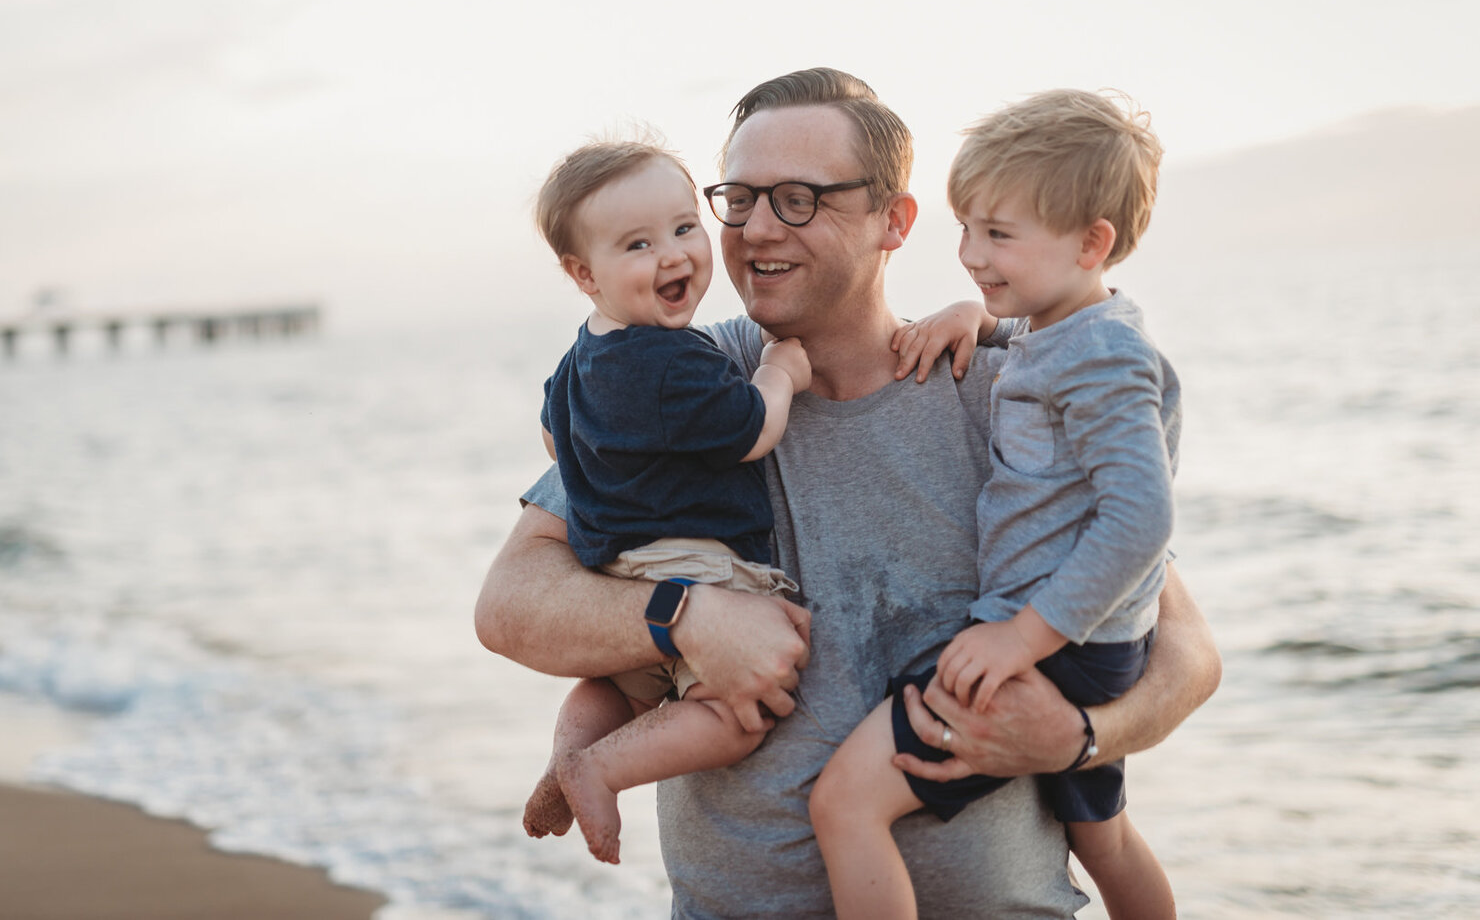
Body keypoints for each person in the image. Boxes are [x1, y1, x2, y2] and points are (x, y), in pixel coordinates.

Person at [475, 68, 1222, 918]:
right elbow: (509, 604)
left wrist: (1086, 736)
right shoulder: (672, 380)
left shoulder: (1006, 387)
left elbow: (1185, 648)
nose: (756, 229)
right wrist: (685, 616)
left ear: (894, 222)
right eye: (740, 198)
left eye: (799, 198)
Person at [810, 89, 1179, 919]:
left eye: (999, 235)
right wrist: (978, 316)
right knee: (1103, 838)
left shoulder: (1107, 358)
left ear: (1093, 243)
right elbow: (1043, 354)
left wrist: (1022, 635)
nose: (973, 253)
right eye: (967, 229)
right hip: (1088, 640)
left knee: (846, 804)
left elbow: (1142, 519)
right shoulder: (1073, 330)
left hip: (1050, 641)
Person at [521, 138, 813, 865]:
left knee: (614, 691)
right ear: (583, 273)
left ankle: (569, 754)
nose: (674, 254)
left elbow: (556, 442)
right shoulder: (670, 360)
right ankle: (599, 768)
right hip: (697, 565)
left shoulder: (580, 361)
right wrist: (780, 370)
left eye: (685, 228)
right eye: (638, 244)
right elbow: (750, 430)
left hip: (614, 569)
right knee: (734, 715)